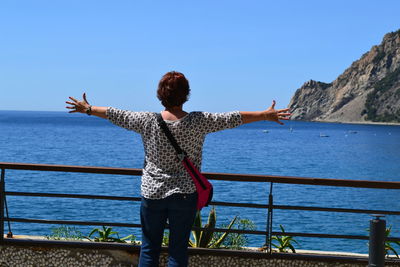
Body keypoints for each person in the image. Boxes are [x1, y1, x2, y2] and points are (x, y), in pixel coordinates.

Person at [65, 71, 290, 267]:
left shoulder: (147, 121)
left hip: (152, 193)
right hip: (185, 195)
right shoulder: (199, 121)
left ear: (160, 94)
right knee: (178, 250)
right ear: (186, 94)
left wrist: (89, 109)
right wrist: (264, 115)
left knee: (150, 247)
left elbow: (116, 114)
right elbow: (232, 118)